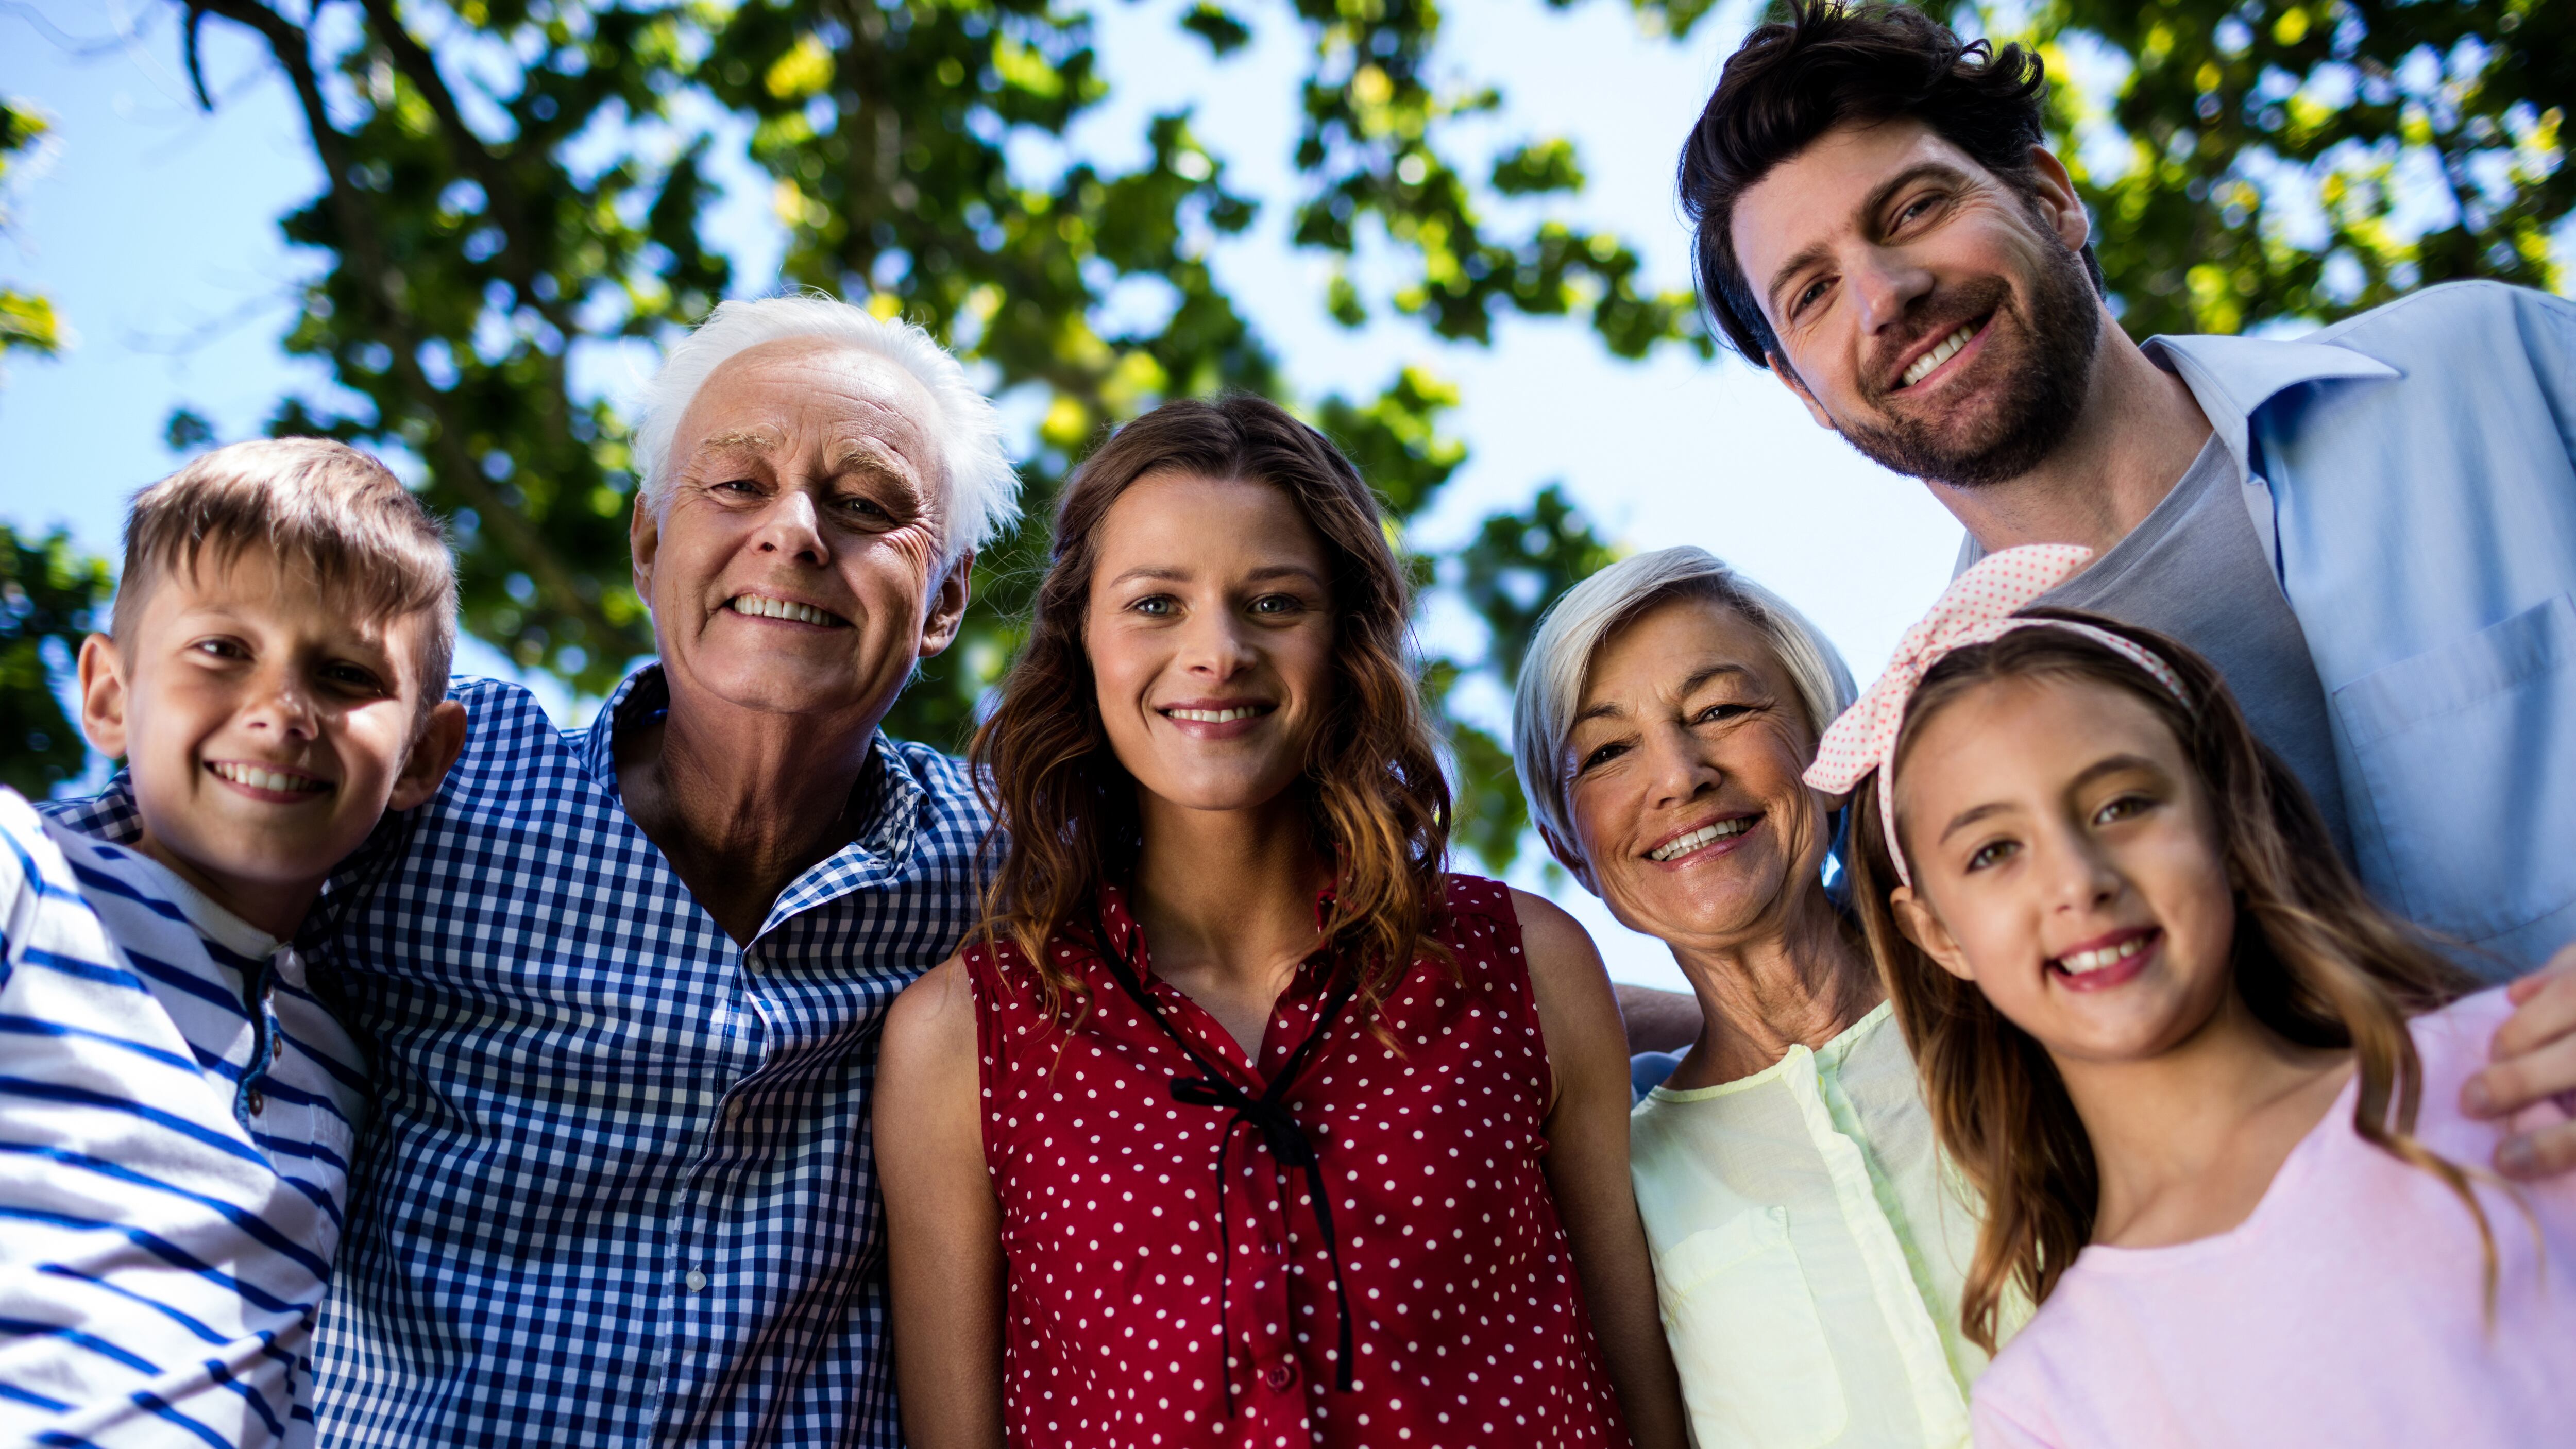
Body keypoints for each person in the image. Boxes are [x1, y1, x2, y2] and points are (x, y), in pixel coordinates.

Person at [46, 296, 1021, 1445]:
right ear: (650, 545)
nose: (797, 533)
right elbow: (141, 853)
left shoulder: (1005, 868)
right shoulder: (438, 783)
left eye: (864, 505)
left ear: (946, 597)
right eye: (737, 486)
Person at [1669, 0, 2576, 1167]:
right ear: (1805, 390)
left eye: (1915, 209)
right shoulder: (1932, 778)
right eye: (1809, 294)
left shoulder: (2488, 371)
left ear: (2050, 196)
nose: (1882, 294)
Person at [1512, 544, 2576, 1449]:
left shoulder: (2055, 998)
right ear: (1566, 840)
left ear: (1830, 749)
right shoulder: (1614, 1179)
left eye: (1725, 707)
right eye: (1606, 751)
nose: (1679, 772)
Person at [875, 396, 1687, 1448]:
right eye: (1155, 605)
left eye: (1272, 604)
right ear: (1082, 640)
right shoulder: (962, 1040)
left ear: (1346, 638)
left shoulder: (1523, 967)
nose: (1216, 652)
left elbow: (1642, 1392)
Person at [3, 439, 466, 1446]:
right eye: (222, 650)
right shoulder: (25, 880)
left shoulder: (338, 1067)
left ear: (426, 754)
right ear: (111, 695)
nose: (283, 712)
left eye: (344, 674)